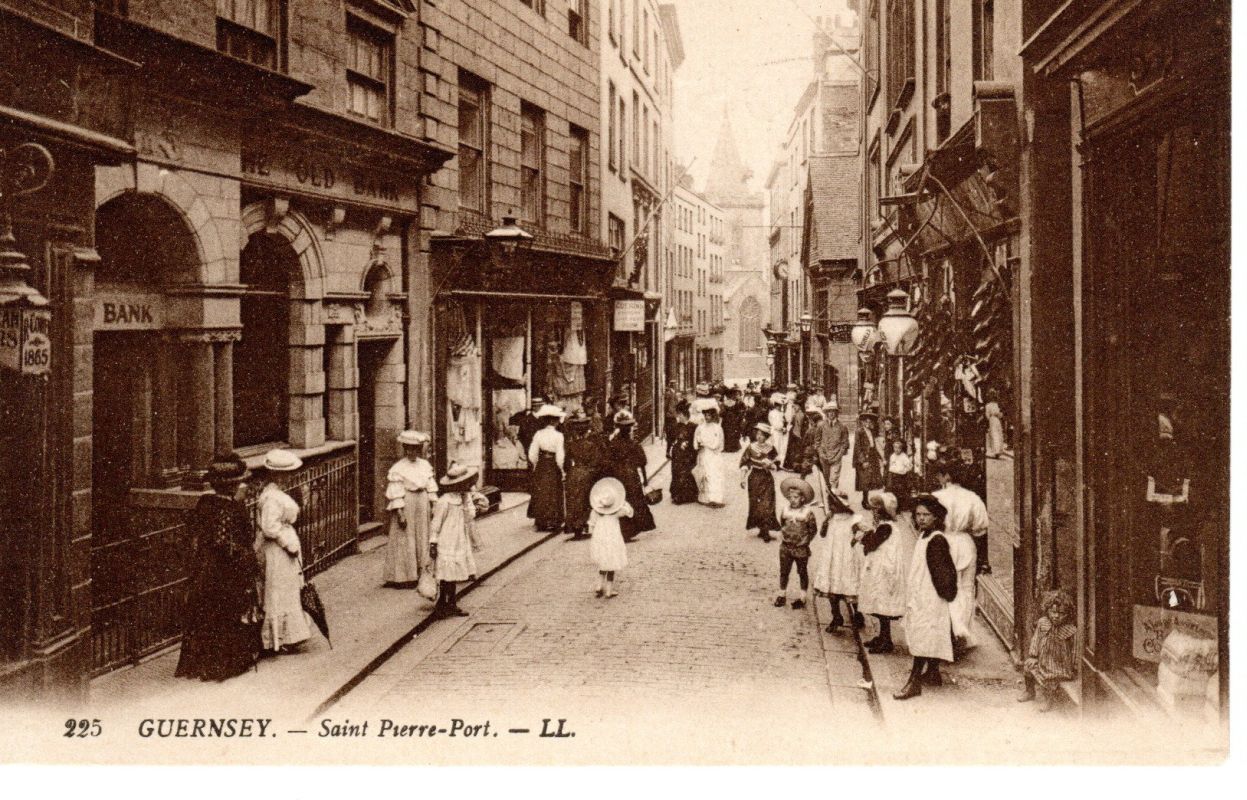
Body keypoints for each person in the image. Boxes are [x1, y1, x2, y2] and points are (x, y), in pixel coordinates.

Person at [176, 453, 260, 681]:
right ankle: (222, 665)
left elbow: (195, 534)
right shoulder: (232, 508)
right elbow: (227, 543)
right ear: (232, 485)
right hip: (225, 571)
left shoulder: (205, 503)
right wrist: (247, 561)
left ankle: (201, 664)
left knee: (205, 614)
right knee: (225, 615)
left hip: (205, 569)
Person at [894, 494, 959, 700]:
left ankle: (914, 682)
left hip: (930, 597)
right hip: (922, 594)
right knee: (928, 634)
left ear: (936, 517)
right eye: (918, 514)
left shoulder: (936, 540)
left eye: (926, 515)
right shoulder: (925, 536)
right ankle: (932, 673)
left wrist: (941, 594)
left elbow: (944, 575)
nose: (921, 518)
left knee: (923, 637)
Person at [255, 448, 312, 654]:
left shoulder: (276, 494)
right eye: (286, 474)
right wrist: (287, 543)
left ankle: (288, 636)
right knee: (278, 590)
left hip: (283, 550)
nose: (290, 478)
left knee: (287, 588)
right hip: (277, 551)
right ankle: (278, 639)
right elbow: (269, 527)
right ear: (277, 475)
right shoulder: (272, 497)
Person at [932, 460, 990, 650]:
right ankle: (962, 634)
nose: (938, 479)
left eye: (940, 475)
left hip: (941, 542)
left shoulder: (936, 497)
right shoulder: (972, 498)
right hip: (965, 544)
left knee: (943, 587)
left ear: (946, 476)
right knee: (965, 588)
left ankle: (946, 633)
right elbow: (981, 528)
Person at [858, 491, 916, 654]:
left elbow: (872, 544)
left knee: (882, 604)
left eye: (876, 509)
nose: (873, 512)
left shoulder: (886, 527)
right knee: (878, 603)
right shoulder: (886, 526)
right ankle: (882, 636)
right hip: (881, 569)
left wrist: (863, 536)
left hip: (884, 572)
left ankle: (886, 640)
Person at [429, 463, 488, 618]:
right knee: (446, 574)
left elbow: (470, 516)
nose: (468, 486)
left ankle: (451, 603)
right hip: (446, 540)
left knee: (454, 574)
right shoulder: (445, 501)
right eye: (465, 483)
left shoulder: (463, 498)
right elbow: (436, 523)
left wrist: (469, 502)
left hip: (459, 539)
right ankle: (442, 603)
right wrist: (433, 542)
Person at [382, 430, 438, 588]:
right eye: (409, 449)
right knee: (406, 537)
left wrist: (434, 504)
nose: (412, 452)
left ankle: (423, 572)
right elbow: (396, 491)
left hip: (422, 502)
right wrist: (400, 512)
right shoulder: (399, 467)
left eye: (415, 449)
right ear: (405, 449)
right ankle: (405, 576)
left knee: (423, 535)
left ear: (419, 450)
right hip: (408, 502)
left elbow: (430, 486)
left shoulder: (425, 465)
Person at [813, 488, 864, 632]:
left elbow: (864, 531)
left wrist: (855, 539)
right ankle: (836, 616)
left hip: (846, 558)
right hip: (832, 557)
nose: (830, 507)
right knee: (831, 587)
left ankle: (858, 614)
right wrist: (825, 522)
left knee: (850, 586)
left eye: (833, 504)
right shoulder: (831, 518)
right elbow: (823, 534)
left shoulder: (853, 519)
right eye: (830, 504)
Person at [1018, 589, 1078, 712]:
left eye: (1061, 613)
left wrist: (1074, 666)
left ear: (1068, 613)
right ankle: (1030, 691)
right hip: (1042, 660)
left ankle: (1049, 700)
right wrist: (1033, 656)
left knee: (1051, 679)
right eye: (1053, 612)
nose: (1056, 616)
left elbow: (1075, 650)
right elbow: (1036, 640)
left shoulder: (1071, 630)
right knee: (1028, 667)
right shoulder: (1042, 623)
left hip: (1059, 666)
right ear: (1047, 610)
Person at [606, 410, 656, 541]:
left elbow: (607, 462)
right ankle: (631, 529)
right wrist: (645, 481)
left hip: (617, 477)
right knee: (634, 501)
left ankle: (623, 530)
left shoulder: (612, 444)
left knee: (620, 501)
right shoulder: (633, 444)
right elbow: (643, 462)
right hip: (631, 476)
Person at [775, 476, 818, 609]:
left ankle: (802, 597)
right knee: (784, 571)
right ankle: (782, 594)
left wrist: (805, 541)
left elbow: (813, 530)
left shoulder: (808, 513)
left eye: (796, 497)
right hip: (786, 547)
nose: (792, 500)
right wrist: (785, 536)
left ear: (802, 498)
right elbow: (782, 523)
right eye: (790, 497)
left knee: (802, 572)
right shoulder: (785, 510)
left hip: (800, 549)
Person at [588, 477, 632, 598]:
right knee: (612, 562)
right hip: (613, 539)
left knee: (603, 562)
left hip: (600, 538)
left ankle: (599, 585)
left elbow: (591, 525)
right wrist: (621, 502)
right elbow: (629, 512)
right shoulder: (616, 512)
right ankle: (609, 590)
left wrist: (594, 537)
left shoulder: (596, 512)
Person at [564, 411, 604, 539]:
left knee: (573, 500)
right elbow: (596, 462)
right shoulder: (591, 445)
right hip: (587, 473)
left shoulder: (571, 445)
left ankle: (575, 526)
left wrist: (570, 471)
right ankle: (584, 523)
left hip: (574, 473)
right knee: (585, 500)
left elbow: (566, 463)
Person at [527, 404, 567, 532]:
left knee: (541, 491)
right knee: (553, 491)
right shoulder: (559, 436)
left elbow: (532, 453)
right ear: (554, 421)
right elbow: (560, 455)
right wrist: (562, 469)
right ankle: (554, 520)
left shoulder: (538, 434)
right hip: (553, 464)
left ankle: (541, 520)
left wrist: (535, 464)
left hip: (542, 464)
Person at [740, 423, 779, 542]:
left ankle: (766, 530)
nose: (759, 436)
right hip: (754, 478)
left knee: (767, 504)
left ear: (766, 436)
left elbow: (776, 464)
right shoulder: (751, 447)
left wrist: (771, 465)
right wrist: (742, 478)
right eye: (757, 434)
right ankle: (762, 529)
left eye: (762, 435)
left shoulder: (771, 448)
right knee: (756, 504)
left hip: (766, 478)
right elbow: (745, 463)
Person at [667, 400, 700, 505]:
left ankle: (688, 495)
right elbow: (671, 440)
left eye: (680, 415)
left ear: (685, 415)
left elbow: (696, 442)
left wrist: (694, 451)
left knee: (686, 473)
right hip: (677, 453)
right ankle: (677, 495)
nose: (678, 417)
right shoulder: (676, 426)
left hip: (689, 453)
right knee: (676, 473)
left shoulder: (694, 426)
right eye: (678, 415)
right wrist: (669, 451)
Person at [694, 405, 726, 507]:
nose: (707, 417)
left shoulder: (717, 428)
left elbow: (717, 444)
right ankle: (705, 498)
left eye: (709, 415)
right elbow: (695, 442)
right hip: (703, 454)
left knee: (715, 475)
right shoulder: (700, 428)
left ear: (712, 416)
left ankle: (716, 499)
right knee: (704, 475)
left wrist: (706, 444)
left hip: (714, 455)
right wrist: (698, 444)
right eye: (705, 415)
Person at [853, 410, 884, 507]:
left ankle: (866, 499)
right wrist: (863, 461)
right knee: (865, 479)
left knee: (870, 479)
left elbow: (874, 444)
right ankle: (865, 500)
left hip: (872, 456)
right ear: (862, 422)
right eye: (866, 421)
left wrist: (880, 457)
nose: (868, 423)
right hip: (864, 457)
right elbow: (858, 447)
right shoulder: (859, 431)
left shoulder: (871, 431)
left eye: (870, 421)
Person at [720, 388, 745, 453]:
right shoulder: (727, 403)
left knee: (733, 433)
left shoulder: (740, 403)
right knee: (728, 433)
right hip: (729, 420)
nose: (735, 396)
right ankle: (729, 447)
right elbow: (722, 412)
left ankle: (733, 447)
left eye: (737, 394)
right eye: (734, 394)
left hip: (733, 420)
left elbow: (743, 411)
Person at [767, 393, 789, 465]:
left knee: (780, 447)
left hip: (780, 433)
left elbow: (783, 421)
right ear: (776, 406)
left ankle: (778, 462)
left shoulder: (781, 413)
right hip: (775, 432)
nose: (780, 407)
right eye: (779, 405)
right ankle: (773, 462)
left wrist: (784, 427)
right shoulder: (772, 413)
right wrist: (782, 428)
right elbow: (775, 424)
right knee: (775, 446)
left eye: (781, 405)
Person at [985, 391, 1007, 457]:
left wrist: (990, 418)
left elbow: (987, 416)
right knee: (997, 434)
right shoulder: (996, 405)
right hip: (997, 420)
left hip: (992, 420)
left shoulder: (988, 405)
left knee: (994, 435)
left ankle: (995, 451)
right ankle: (998, 450)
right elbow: (1000, 415)